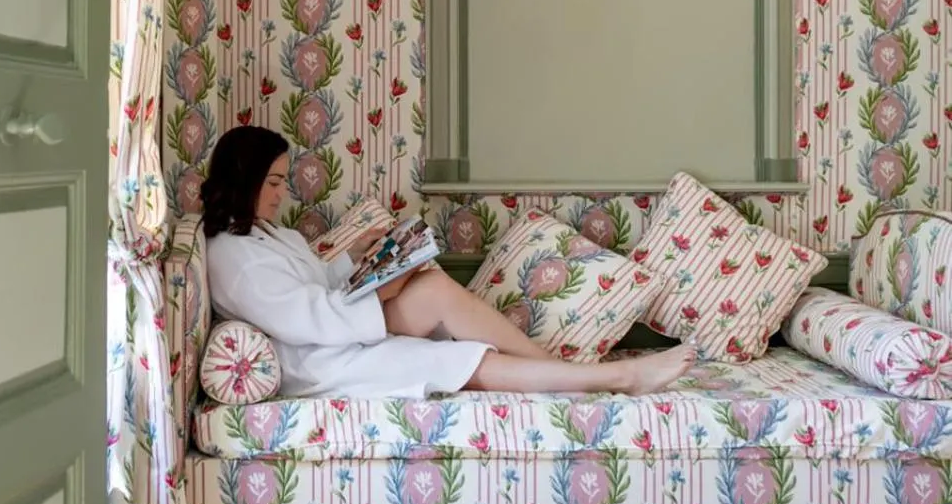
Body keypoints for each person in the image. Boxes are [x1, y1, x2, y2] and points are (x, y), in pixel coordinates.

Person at [201, 125, 696, 401]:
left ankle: (568, 373)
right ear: (243, 179)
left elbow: (309, 286)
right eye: (273, 183)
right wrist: (382, 291)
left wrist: (356, 259)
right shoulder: (231, 256)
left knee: (434, 288)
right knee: (455, 349)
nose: (282, 193)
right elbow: (308, 318)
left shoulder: (264, 234)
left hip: (336, 330)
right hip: (317, 360)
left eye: (283, 181)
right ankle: (613, 378)